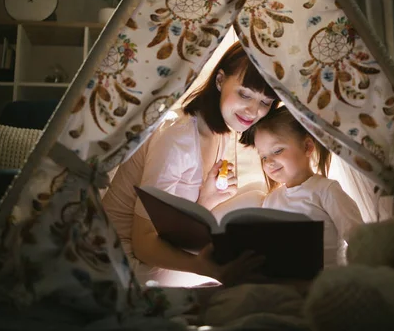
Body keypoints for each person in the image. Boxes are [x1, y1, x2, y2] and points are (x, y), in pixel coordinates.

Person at [102, 41, 279, 287]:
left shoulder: (224, 131)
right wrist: (205, 269)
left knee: (259, 200)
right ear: (220, 81)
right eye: (244, 94)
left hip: (163, 248)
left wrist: (207, 198)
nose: (253, 110)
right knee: (255, 213)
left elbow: (174, 219)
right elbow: (143, 244)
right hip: (125, 262)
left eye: (265, 102)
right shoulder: (177, 138)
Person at [242, 106, 364, 268]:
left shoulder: (326, 191)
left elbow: (360, 242)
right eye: (263, 156)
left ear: (307, 147)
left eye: (277, 151)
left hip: (325, 283)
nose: (269, 162)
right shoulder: (270, 200)